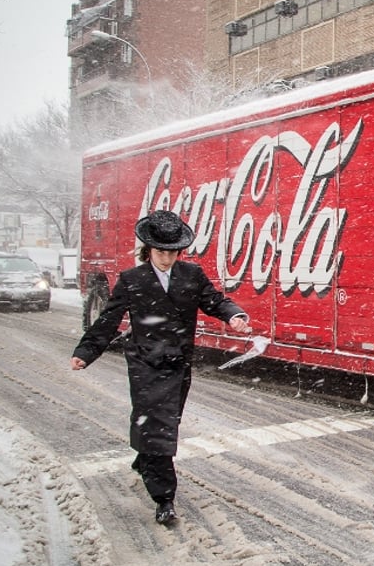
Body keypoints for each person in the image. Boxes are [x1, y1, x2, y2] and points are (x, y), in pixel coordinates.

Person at [71, 211, 252, 525]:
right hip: (145, 364)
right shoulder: (132, 280)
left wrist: (234, 315)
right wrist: (86, 352)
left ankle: (145, 459)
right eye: (160, 252)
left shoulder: (191, 276)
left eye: (172, 252)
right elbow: (108, 320)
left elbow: (214, 300)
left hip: (178, 364)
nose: (166, 258)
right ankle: (164, 498)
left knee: (165, 426)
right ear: (148, 250)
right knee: (158, 428)